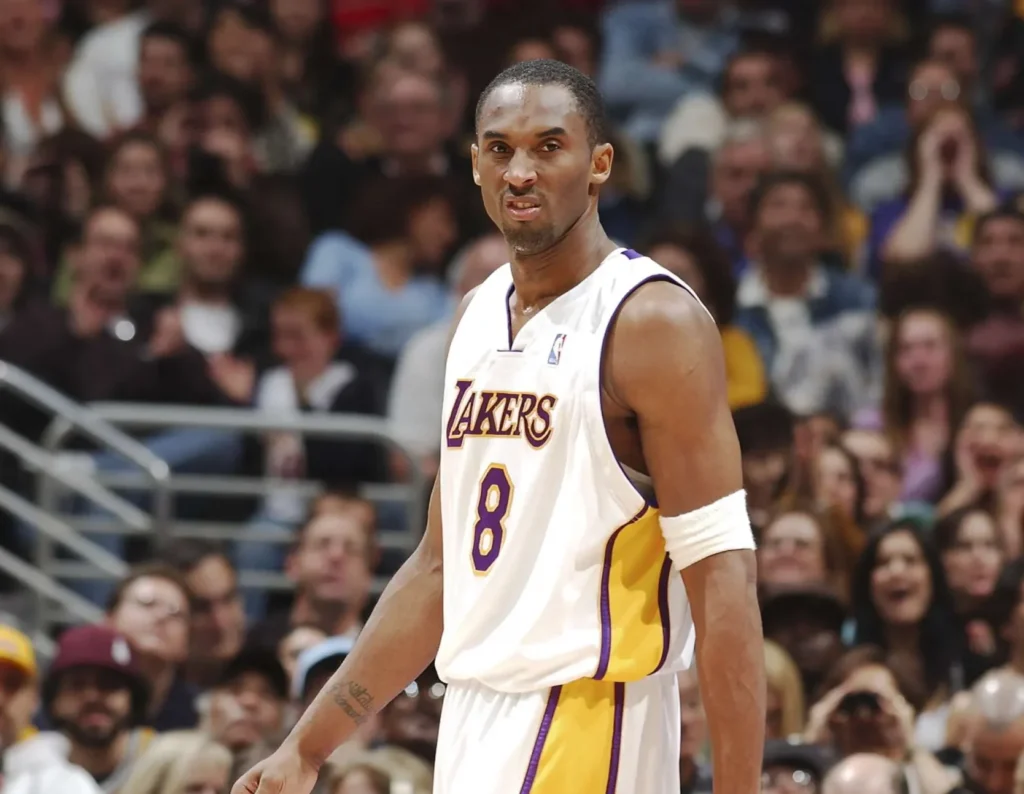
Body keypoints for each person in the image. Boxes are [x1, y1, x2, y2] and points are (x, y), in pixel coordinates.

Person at [233, 59, 763, 794]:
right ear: (475, 164)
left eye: (550, 146)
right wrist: (308, 745)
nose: (521, 171)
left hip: (588, 718)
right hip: (474, 715)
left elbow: (723, 576)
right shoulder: (477, 315)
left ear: (599, 163)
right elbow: (438, 569)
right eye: (500, 148)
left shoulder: (651, 321)